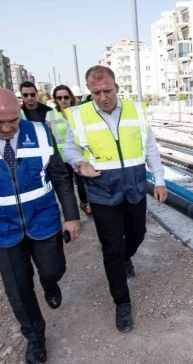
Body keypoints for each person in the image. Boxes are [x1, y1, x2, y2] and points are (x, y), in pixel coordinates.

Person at [0, 88, 81, 364]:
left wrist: (71, 216)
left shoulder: (40, 133)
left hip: (43, 219)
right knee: (18, 288)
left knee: (53, 268)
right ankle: (35, 336)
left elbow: (59, 176)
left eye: (13, 120)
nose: (7, 128)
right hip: (0, 228)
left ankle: (49, 283)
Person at [62, 65, 167, 333]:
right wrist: (78, 164)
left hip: (133, 188)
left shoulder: (135, 111)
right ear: (89, 91)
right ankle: (122, 302)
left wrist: (160, 180)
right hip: (102, 191)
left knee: (138, 235)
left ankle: (126, 256)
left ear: (117, 88)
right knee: (111, 248)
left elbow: (151, 148)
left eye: (107, 90)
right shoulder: (78, 116)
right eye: (96, 92)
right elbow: (69, 149)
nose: (103, 97)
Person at [46, 85, 91, 216]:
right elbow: (49, 137)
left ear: (70, 97)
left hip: (78, 155)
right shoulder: (50, 115)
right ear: (55, 99)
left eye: (66, 97)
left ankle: (84, 203)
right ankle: (72, 214)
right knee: (67, 187)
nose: (63, 100)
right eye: (59, 98)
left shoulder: (78, 113)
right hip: (60, 157)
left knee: (83, 184)